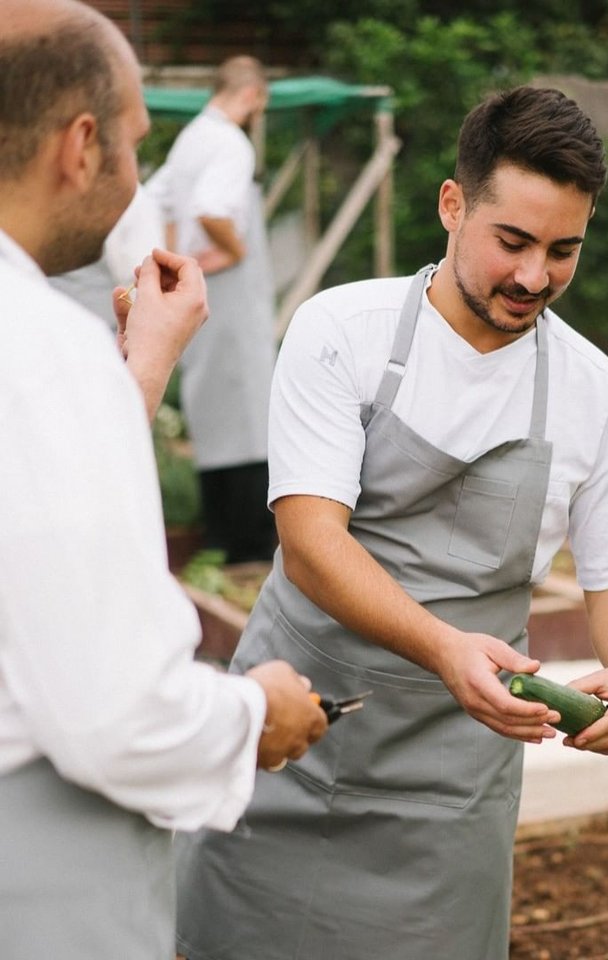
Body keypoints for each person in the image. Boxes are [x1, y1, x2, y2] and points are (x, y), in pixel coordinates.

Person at [176, 85, 608, 960]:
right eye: (511, 241)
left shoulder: (596, 393)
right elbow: (313, 544)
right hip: (290, 741)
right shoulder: (342, 332)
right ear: (452, 204)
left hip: (451, 787)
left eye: (563, 252)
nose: (532, 277)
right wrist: (448, 651)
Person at [0, 4, 329, 958]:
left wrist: (136, 368)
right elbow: (114, 718)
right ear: (81, 144)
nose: (141, 180)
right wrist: (255, 713)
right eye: (137, 148)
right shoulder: (43, 348)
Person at [149, 55, 278, 563]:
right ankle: (250, 548)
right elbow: (211, 207)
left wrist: (176, 258)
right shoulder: (229, 142)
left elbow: (157, 203)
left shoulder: (190, 139)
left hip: (208, 303)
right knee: (250, 416)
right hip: (235, 299)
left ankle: (220, 538)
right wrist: (234, 250)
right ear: (250, 95)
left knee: (215, 416)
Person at [50, 183, 165, 329]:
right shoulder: (128, 199)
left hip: (48, 325)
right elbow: (141, 276)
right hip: (102, 330)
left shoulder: (40, 196)